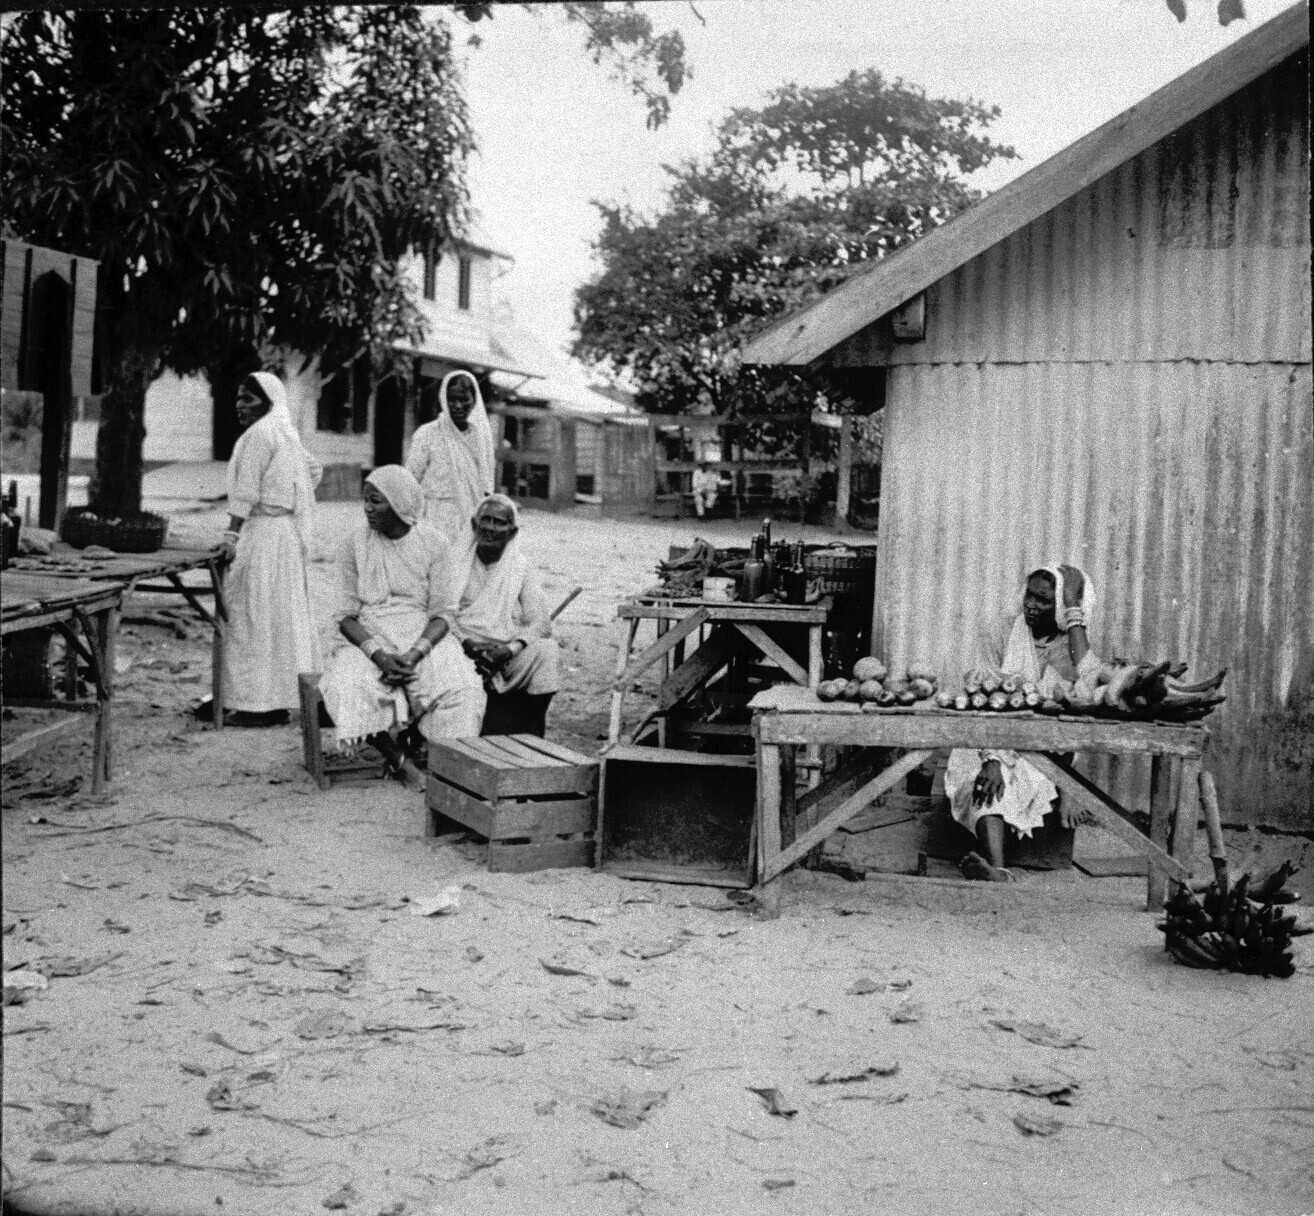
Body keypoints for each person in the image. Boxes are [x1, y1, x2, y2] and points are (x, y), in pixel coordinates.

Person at [319, 466, 485, 783]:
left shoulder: (435, 544)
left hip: (422, 636)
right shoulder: (353, 544)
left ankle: (443, 762)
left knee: (460, 684)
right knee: (350, 683)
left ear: (399, 502)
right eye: (365, 500)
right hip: (369, 635)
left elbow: (443, 614)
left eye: (376, 501)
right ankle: (400, 761)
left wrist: (412, 656)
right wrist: (379, 656)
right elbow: (345, 616)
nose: (367, 508)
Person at [945, 563, 1099, 882]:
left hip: (1040, 744)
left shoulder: (1070, 647)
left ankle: (997, 869)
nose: (1031, 604)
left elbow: (1079, 708)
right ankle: (999, 871)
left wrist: (1069, 787)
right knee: (982, 778)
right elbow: (985, 695)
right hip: (989, 732)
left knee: (1024, 777)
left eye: (1043, 600)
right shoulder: (1003, 632)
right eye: (1029, 595)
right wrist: (992, 757)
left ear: (1061, 608)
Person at [217, 371, 322, 727]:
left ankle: (256, 705)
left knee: (253, 614)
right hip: (284, 536)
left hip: (263, 534)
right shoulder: (284, 431)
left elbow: (245, 492)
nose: (240, 405)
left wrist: (231, 537)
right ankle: (275, 700)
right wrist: (289, 495)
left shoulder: (261, 433)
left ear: (269, 402)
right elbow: (313, 471)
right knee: (278, 618)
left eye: (248, 399)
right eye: (238, 398)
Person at [451, 494, 561, 737]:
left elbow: (540, 622)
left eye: (499, 522)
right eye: (485, 520)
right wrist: (465, 643)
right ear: (474, 524)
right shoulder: (453, 562)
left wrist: (510, 649)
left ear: (512, 532)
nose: (490, 528)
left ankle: (532, 736)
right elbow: (440, 613)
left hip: (503, 652)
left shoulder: (520, 567)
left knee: (547, 651)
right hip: (460, 648)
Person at [404, 369, 495, 543]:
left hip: (469, 517)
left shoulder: (480, 438)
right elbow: (411, 478)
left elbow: (486, 482)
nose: (458, 406)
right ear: (443, 399)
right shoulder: (428, 433)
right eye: (452, 399)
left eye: (464, 399)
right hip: (434, 518)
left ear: (474, 400)